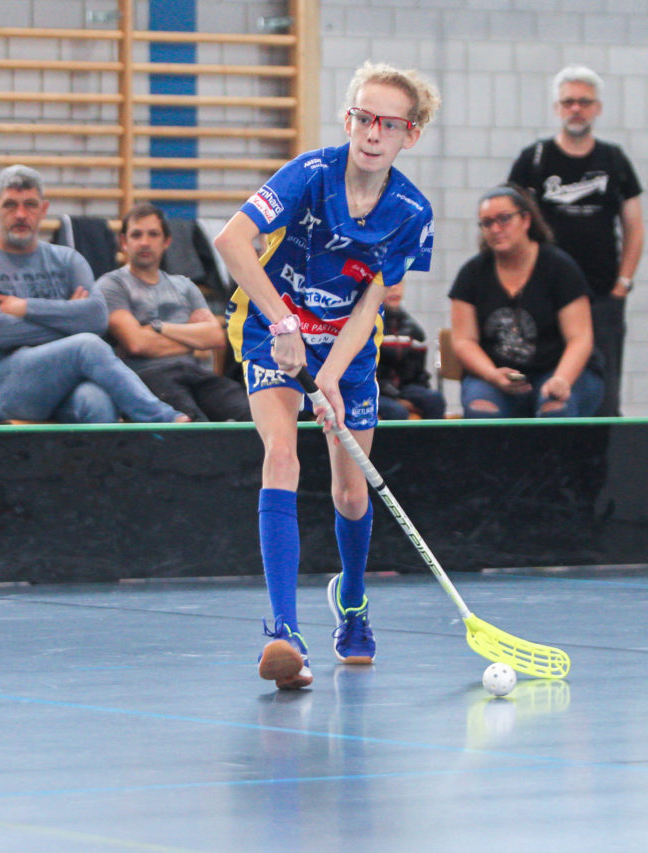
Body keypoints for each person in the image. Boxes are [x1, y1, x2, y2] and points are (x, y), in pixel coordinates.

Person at [214, 60, 439, 689]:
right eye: (363, 117)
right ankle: (284, 632)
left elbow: (371, 304)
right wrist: (283, 322)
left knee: (350, 493)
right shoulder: (309, 174)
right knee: (282, 456)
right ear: (348, 120)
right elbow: (231, 242)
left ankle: (354, 602)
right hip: (272, 333)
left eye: (388, 123)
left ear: (410, 134)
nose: (373, 132)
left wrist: (333, 376)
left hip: (347, 350)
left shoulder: (411, 212)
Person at [0, 165, 187, 424]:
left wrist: (27, 308)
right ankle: (164, 420)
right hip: (3, 386)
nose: (21, 214)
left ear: (43, 209)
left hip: (63, 383)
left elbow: (96, 319)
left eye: (30, 205)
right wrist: (69, 319)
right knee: (86, 345)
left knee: (98, 402)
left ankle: (114, 453)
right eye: (10, 205)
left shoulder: (67, 260)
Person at [507, 65, 643, 417]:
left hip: (602, 298)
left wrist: (622, 285)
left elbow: (634, 227)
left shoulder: (614, 161)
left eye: (584, 102)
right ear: (557, 108)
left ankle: (601, 454)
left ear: (597, 108)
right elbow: (508, 225)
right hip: (543, 299)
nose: (576, 109)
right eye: (568, 102)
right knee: (543, 390)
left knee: (605, 398)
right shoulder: (534, 159)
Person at [449, 184, 604, 418]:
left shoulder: (561, 268)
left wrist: (561, 379)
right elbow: (463, 340)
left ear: (526, 220)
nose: (496, 229)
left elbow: (580, 339)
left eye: (504, 219)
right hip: (496, 373)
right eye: (487, 223)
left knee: (554, 409)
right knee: (483, 410)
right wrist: (491, 374)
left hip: (558, 369)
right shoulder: (471, 274)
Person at [96, 203, 250, 422]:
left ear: (166, 241)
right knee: (194, 426)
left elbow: (215, 337)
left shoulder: (184, 285)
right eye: (137, 235)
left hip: (195, 373)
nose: (145, 242)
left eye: (153, 234)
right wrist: (192, 339)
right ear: (123, 242)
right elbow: (136, 343)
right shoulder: (111, 285)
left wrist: (158, 327)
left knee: (251, 415)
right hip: (147, 378)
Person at [376, 280, 445, 420]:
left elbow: (418, 373)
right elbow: (369, 373)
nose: (394, 288)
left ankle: (431, 436)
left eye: (398, 282)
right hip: (375, 390)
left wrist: (418, 394)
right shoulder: (368, 327)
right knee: (397, 411)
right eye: (387, 283)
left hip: (402, 388)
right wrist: (396, 397)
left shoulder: (413, 329)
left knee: (435, 400)